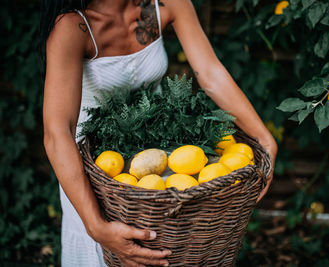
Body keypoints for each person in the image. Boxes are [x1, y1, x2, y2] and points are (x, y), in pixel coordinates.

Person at [41, 0, 278, 266]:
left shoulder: (165, 3)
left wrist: (264, 137)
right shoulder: (73, 26)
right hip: (92, 172)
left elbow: (211, 74)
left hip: (156, 152)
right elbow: (57, 131)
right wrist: (96, 226)